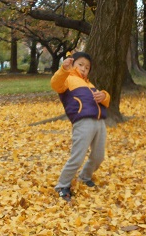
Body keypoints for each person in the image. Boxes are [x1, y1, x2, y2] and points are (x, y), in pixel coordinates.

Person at [51, 51, 110, 202]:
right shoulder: (68, 79)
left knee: (99, 156)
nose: (84, 69)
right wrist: (63, 69)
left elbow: (106, 100)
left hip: (99, 122)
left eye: (87, 67)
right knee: (77, 156)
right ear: (73, 64)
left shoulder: (89, 84)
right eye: (80, 64)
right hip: (83, 122)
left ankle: (85, 177)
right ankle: (62, 186)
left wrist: (104, 95)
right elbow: (55, 84)